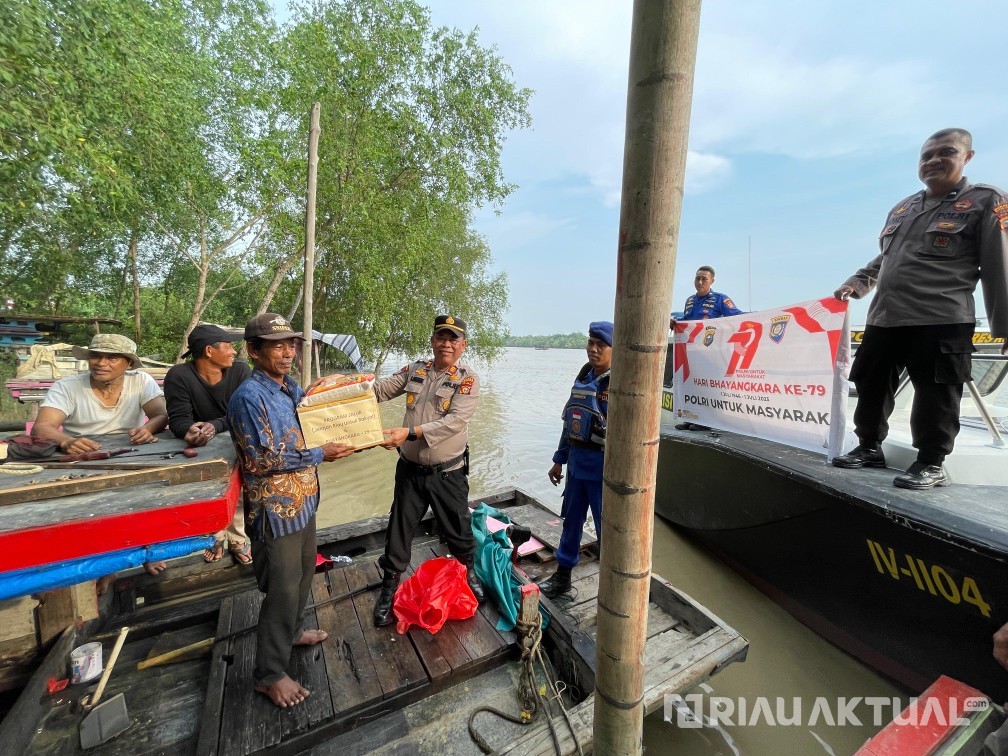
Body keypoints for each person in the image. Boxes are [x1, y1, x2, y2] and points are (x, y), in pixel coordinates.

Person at [832, 128, 1008, 490]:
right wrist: (857, 283)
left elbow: (999, 267)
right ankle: (868, 446)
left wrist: (1005, 328)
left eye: (946, 153)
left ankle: (930, 462)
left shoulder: (986, 201)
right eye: (926, 156)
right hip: (885, 316)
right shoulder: (904, 208)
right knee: (870, 382)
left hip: (941, 318)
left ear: (967, 157)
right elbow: (887, 259)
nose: (933, 161)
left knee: (936, 394)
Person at [226, 313, 354, 708]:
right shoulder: (249, 397)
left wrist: (336, 392)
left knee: (302, 577)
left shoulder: (289, 386)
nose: (288, 351)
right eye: (277, 345)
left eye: (291, 344)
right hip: (275, 509)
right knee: (281, 589)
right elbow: (262, 458)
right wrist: (322, 452)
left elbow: (315, 415)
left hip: (304, 500)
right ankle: (269, 674)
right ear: (253, 350)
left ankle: (293, 631)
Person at [370, 314, 484, 627]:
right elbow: (378, 391)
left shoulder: (467, 381)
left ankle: (468, 573)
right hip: (409, 470)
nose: (446, 344)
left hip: (448, 472)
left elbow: (454, 423)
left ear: (462, 345)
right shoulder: (414, 370)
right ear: (433, 341)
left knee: (458, 529)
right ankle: (389, 587)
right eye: (441, 337)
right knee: (398, 531)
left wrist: (406, 433)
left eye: (453, 339)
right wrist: (345, 392)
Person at [32, 333, 170, 576]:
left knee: (144, 499)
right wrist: (67, 441)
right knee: (91, 510)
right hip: (84, 457)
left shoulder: (141, 380)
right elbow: (42, 428)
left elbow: (160, 414)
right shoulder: (68, 386)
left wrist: (147, 429)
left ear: (128, 364)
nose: (101, 363)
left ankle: (146, 550)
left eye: (112, 357)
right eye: (96, 356)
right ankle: (106, 569)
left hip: (130, 451)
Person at [164, 324, 252, 564]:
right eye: (228, 346)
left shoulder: (240, 371)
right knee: (208, 492)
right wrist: (188, 431)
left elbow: (244, 413)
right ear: (209, 351)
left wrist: (215, 425)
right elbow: (179, 419)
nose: (234, 352)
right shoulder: (179, 375)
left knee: (240, 493)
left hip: (236, 438)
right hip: (203, 447)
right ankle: (215, 535)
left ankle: (237, 538)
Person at [539, 322, 612, 599]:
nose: (593, 349)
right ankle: (563, 577)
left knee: (609, 531)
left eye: (600, 345)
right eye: (590, 343)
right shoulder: (583, 377)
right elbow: (571, 422)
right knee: (571, 523)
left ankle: (612, 586)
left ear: (614, 349)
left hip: (604, 473)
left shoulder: (622, 384)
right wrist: (559, 460)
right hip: (578, 469)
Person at [673, 266, 742, 431]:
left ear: (712, 281)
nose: (700, 282)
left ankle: (706, 422)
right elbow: (688, 320)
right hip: (691, 352)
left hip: (710, 353)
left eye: (704, 278)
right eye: (697, 278)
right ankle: (690, 416)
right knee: (691, 385)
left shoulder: (720, 299)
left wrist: (759, 316)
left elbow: (737, 316)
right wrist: (676, 321)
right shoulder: (690, 300)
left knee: (705, 387)